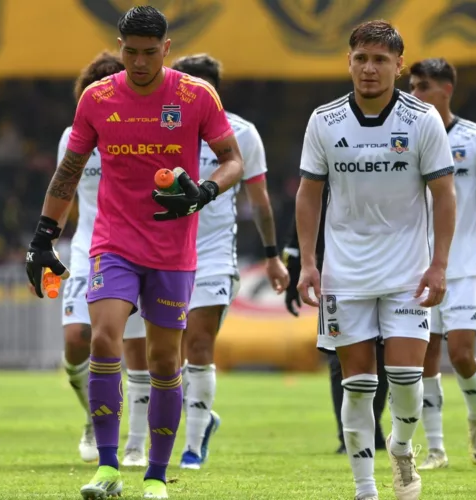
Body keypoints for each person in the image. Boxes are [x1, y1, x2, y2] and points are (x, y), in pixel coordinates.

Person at [24, 6, 244, 499]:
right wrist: (43, 237)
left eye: (149, 52)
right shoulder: (97, 99)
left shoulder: (195, 96)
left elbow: (233, 161)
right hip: (113, 243)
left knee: (165, 361)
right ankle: (107, 469)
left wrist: (204, 191)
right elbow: (69, 171)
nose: (139, 62)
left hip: (173, 249)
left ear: (166, 49)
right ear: (119, 45)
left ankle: (156, 476)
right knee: (103, 340)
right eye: (130, 51)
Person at [295, 20, 456, 500]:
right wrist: (308, 261)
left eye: (380, 60)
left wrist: (440, 263)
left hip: (407, 270)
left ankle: (402, 447)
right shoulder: (323, 120)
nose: (369, 68)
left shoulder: (422, 119)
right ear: (349, 61)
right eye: (361, 58)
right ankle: (366, 489)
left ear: (398, 66)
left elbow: (444, 196)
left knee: (406, 378)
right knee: (358, 385)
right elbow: (308, 194)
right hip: (345, 273)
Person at [168, 53, 290, 469]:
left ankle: (193, 443)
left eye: (200, 87)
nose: (191, 95)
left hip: (214, 255)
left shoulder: (241, 134)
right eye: (185, 86)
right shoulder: (158, 127)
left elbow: (259, 202)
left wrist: (272, 257)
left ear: (215, 92)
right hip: (160, 253)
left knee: (199, 344)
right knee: (168, 354)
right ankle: (202, 416)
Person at [407, 58, 476, 470]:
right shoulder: (407, 137)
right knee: (425, 357)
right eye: (412, 86)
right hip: (417, 265)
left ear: (447, 90)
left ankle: (475, 417)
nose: (414, 94)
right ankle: (436, 449)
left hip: (465, 265)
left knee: (463, 353)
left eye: (423, 86)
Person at [53, 51, 151, 468]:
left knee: (138, 349)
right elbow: (64, 191)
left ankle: (135, 445)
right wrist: (46, 242)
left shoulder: (147, 133)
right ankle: (95, 417)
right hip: (87, 248)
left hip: (141, 248)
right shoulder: (73, 135)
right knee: (77, 340)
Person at [283, 182, 389, 455]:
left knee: (383, 354)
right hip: (334, 272)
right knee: (337, 357)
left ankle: (370, 425)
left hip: (386, 267)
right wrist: (296, 264)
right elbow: (306, 207)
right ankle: (349, 436)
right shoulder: (326, 155)